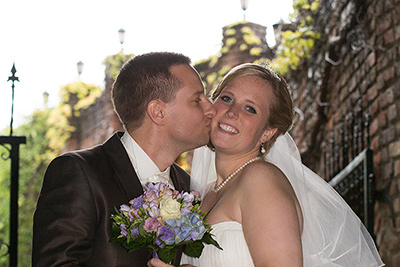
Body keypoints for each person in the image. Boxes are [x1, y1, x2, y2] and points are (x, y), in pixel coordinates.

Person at [148, 63, 384, 266]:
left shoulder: (260, 179)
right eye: (227, 98)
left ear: (267, 132)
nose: (232, 112)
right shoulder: (204, 194)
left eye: (250, 109)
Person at [32, 52, 216, 266]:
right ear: (158, 112)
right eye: (197, 100)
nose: (211, 108)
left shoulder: (189, 189)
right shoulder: (80, 173)